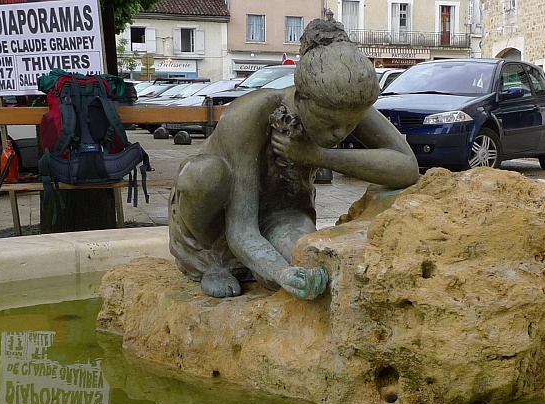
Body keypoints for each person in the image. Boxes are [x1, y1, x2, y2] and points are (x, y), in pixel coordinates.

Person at [169, 18, 419, 301]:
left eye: (350, 125)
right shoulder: (249, 115)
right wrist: (282, 274)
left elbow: (406, 167)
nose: (339, 132)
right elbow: (241, 230)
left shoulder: (347, 106)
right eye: (327, 123)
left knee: (305, 263)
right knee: (207, 176)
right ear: (301, 97)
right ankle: (211, 264)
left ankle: (261, 267)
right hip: (220, 218)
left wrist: (318, 155)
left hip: (280, 212)